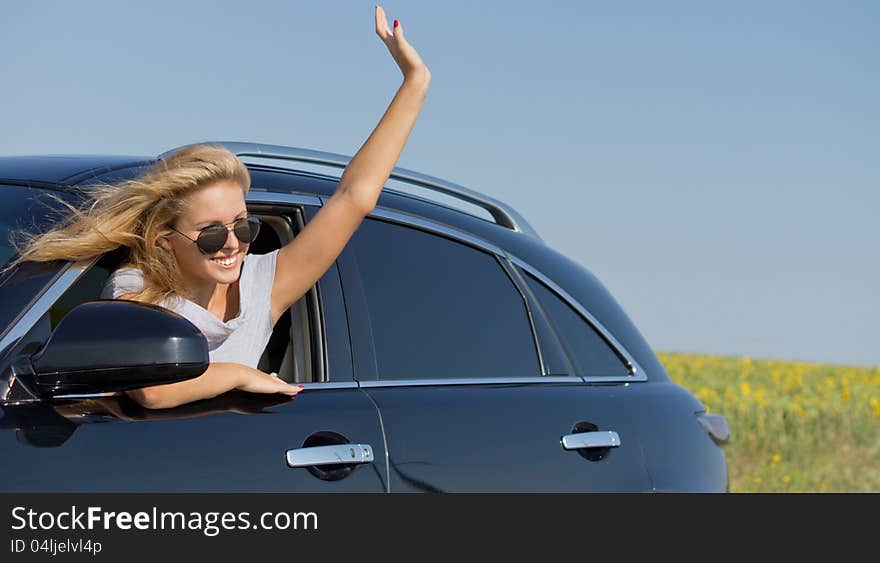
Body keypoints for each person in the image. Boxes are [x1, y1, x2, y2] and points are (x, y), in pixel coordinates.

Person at [12, 6, 430, 409]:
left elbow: (352, 197)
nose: (232, 244)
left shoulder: (263, 286)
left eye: (243, 226)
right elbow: (152, 391)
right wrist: (239, 374)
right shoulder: (137, 294)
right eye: (212, 233)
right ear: (164, 240)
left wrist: (415, 82)